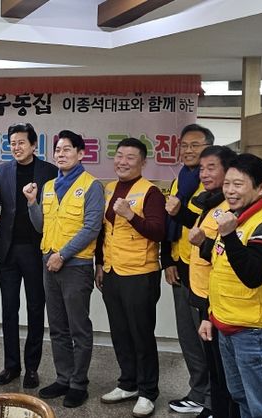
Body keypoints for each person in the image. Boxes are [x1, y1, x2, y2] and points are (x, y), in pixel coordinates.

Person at [198, 153, 262, 417]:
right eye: (227, 183)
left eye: (238, 184)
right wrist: (209, 315)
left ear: (260, 188)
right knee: (242, 399)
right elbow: (221, 272)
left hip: (256, 332)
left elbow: (252, 276)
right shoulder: (235, 219)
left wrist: (229, 236)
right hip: (227, 326)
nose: (229, 191)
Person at [24, 130, 103, 408]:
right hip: (49, 262)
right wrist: (32, 203)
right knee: (57, 327)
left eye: (67, 149)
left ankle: (79, 384)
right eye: (58, 149)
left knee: (78, 327)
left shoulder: (92, 186)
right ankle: (63, 377)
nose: (61, 154)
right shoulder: (48, 186)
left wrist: (63, 255)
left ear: (81, 153)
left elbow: (92, 228)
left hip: (75, 265)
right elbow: (40, 226)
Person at [0, 122, 58, 388]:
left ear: (34, 145)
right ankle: (11, 365)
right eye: (12, 143)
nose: (16, 147)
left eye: (21, 142)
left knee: (36, 308)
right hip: (8, 250)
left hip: (36, 249)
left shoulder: (49, 171)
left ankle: (32, 368)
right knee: (9, 309)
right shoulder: (3, 170)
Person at [95, 137, 166, 417]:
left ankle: (148, 392)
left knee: (141, 334)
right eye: (119, 155)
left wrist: (131, 215)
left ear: (143, 162)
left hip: (140, 274)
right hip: (112, 271)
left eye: (130, 157)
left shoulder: (151, 192)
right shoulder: (110, 189)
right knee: (120, 332)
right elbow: (104, 232)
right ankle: (128, 383)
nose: (122, 162)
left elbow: (158, 232)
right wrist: (100, 264)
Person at [181, 145, 240, 418]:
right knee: (214, 363)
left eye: (211, 168)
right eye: (201, 169)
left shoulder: (230, 209)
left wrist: (202, 243)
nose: (204, 174)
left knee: (223, 366)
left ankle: (222, 410)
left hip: (217, 298)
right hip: (203, 292)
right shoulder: (209, 203)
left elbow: (227, 256)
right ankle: (214, 408)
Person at [162, 124, 213, 415]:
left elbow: (200, 224)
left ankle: (213, 398)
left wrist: (177, 211)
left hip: (204, 270)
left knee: (206, 334)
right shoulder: (180, 179)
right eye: (184, 145)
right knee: (187, 334)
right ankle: (198, 391)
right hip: (180, 264)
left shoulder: (214, 185)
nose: (189, 150)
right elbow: (170, 225)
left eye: (196, 145)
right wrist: (168, 261)